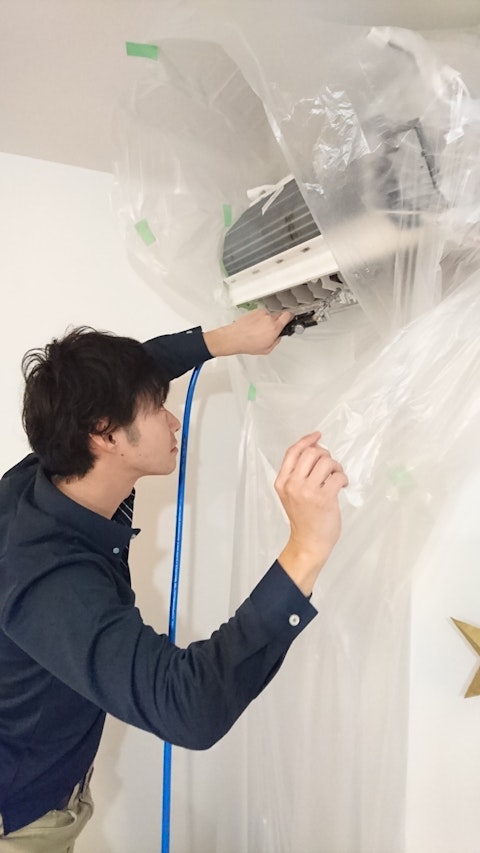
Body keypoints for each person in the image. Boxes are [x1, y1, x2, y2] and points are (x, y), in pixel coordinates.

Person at [0, 309, 348, 851]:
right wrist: (306, 547)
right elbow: (187, 706)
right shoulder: (49, 580)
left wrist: (228, 339)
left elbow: (140, 368)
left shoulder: (42, 477)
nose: (173, 420)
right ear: (105, 435)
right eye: (156, 407)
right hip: (22, 822)